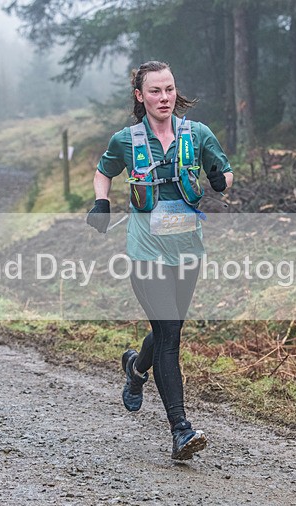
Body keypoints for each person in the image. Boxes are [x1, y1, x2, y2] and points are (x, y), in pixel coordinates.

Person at [86, 61, 233, 460]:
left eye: (168, 89)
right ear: (140, 96)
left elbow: (225, 172)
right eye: (155, 91)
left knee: (168, 331)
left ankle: (136, 369)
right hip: (145, 252)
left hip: (187, 249)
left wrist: (220, 179)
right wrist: (102, 202)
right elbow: (104, 173)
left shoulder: (197, 134)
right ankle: (181, 430)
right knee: (169, 335)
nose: (164, 97)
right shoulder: (126, 140)